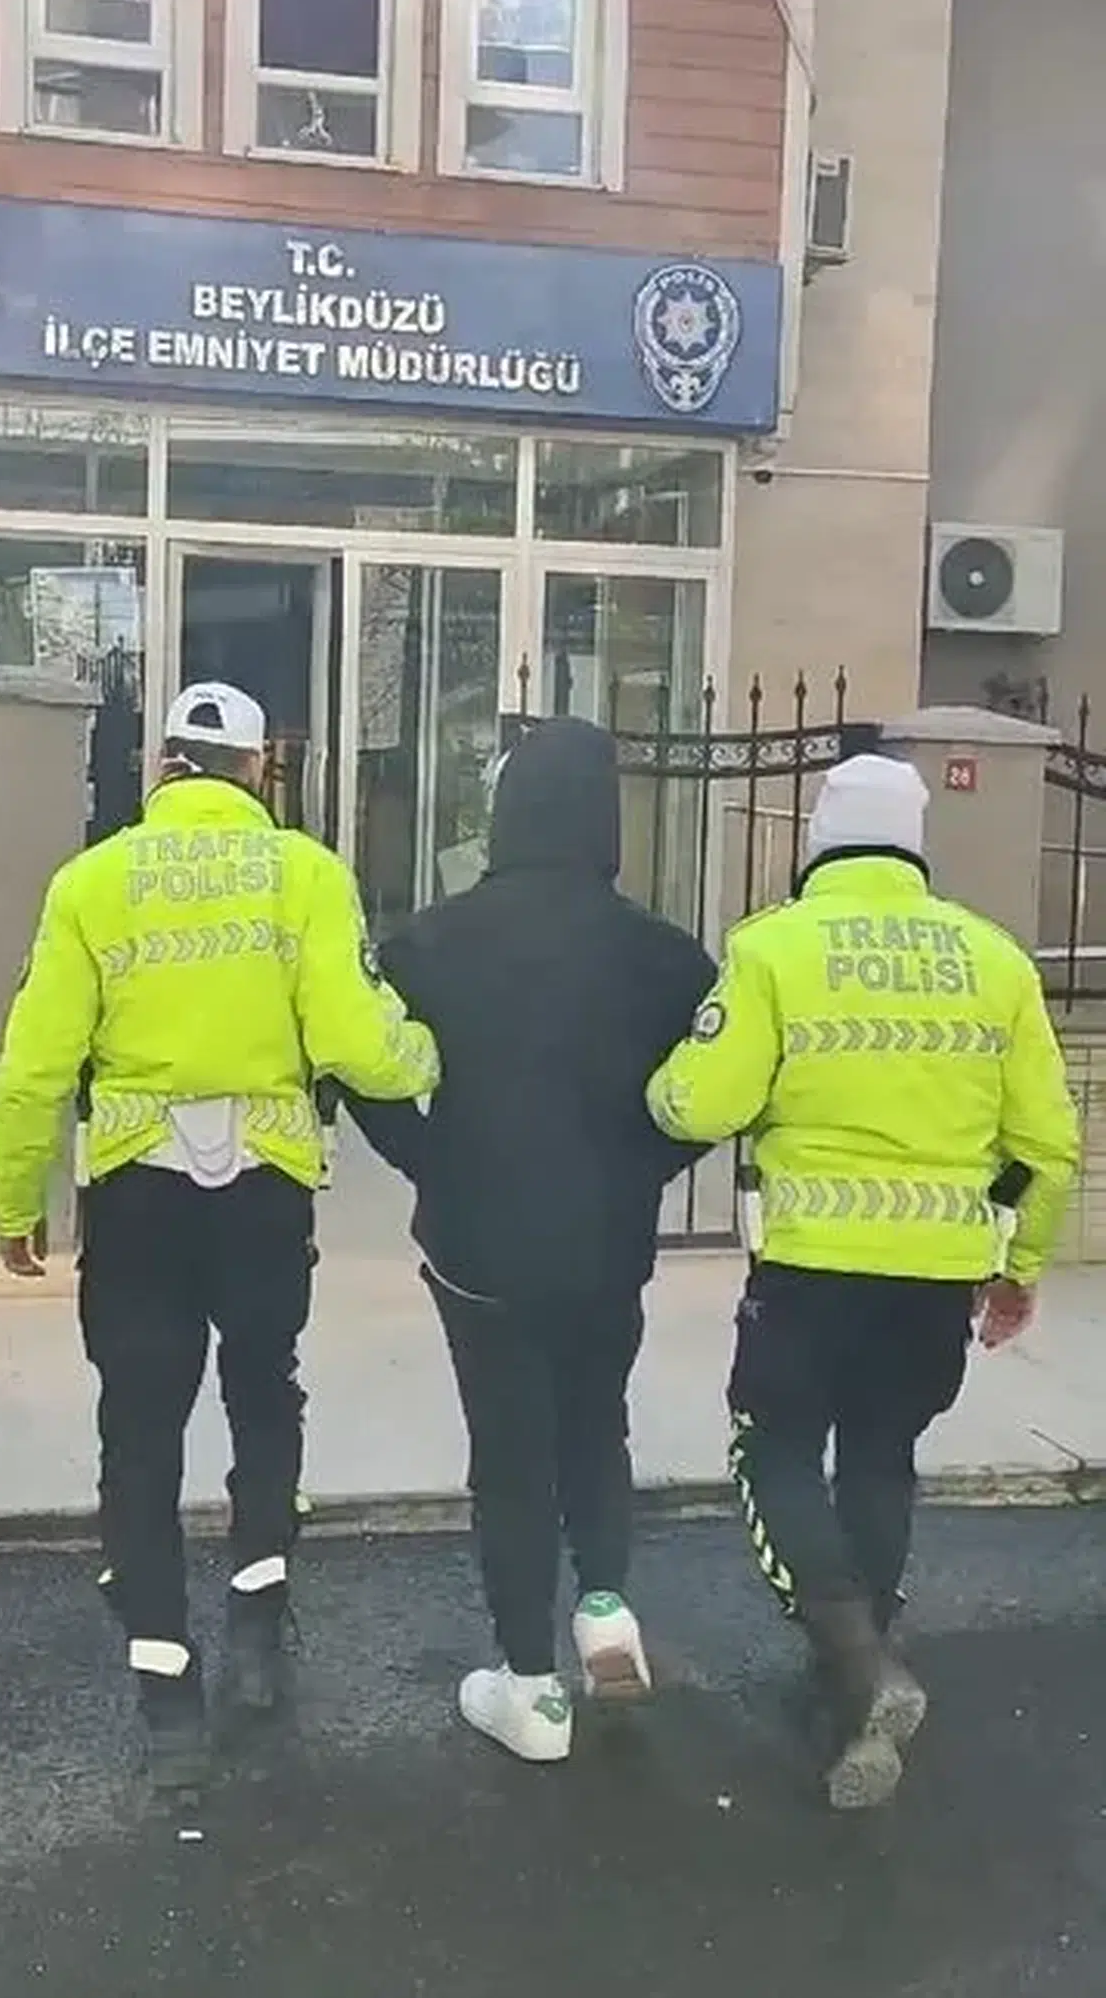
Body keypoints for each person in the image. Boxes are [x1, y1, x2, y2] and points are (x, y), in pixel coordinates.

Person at [0, 681, 438, 1793]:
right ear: (257, 770)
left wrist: (13, 1200)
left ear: (163, 767)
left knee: (140, 1426)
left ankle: (164, 1687)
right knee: (263, 1396)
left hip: (137, 1194)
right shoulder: (305, 873)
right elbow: (355, 1041)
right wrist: (423, 1054)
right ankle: (258, 1628)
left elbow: (34, 1064)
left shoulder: (91, 883)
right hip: (263, 1194)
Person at [647, 752, 1080, 1810]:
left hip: (810, 1268)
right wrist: (1015, 1269)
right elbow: (1048, 1146)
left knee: (772, 1448)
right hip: (935, 1280)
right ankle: (851, 1694)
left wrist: (661, 1089)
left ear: (818, 842)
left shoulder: (773, 947)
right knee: (882, 1458)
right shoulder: (995, 959)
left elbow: (701, 1104)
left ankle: (858, 1662)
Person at [343, 716, 716, 1764]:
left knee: (508, 1456)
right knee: (595, 1424)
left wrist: (427, 1159)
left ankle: (530, 1686)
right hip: (606, 1241)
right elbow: (714, 1091)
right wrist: (645, 1166)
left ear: (504, 811)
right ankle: (603, 1605)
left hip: (478, 1245)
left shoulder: (428, 943)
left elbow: (357, 1064)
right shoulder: (666, 956)